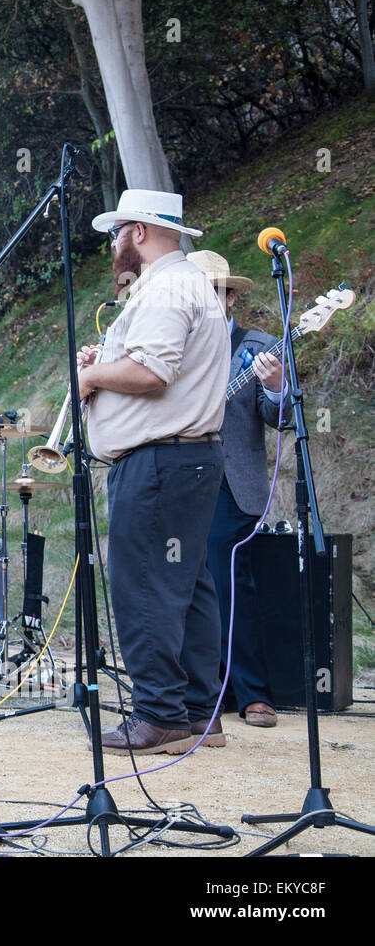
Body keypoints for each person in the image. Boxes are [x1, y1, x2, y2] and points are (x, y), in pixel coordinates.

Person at [78, 188, 229, 754]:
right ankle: (197, 713)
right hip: (186, 457)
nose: (115, 245)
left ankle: (161, 714)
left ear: (139, 232)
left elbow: (152, 372)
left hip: (160, 461)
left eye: (118, 233)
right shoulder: (188, 283)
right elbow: (154, 363)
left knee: (143, 583)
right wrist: (109, 362)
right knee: (186, 586)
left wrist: (93, 378)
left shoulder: (165, 286)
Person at [188, 249, 290, 730]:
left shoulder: (259, 346)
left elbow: (283, 418)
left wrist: (276, 386)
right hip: (180, 481)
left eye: (217, 293)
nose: (210, 301)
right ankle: (204, 692)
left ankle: (252, 692)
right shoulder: (176, 346)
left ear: (231, 298)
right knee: (184, 587)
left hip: (231, 482)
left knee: (231, 583)